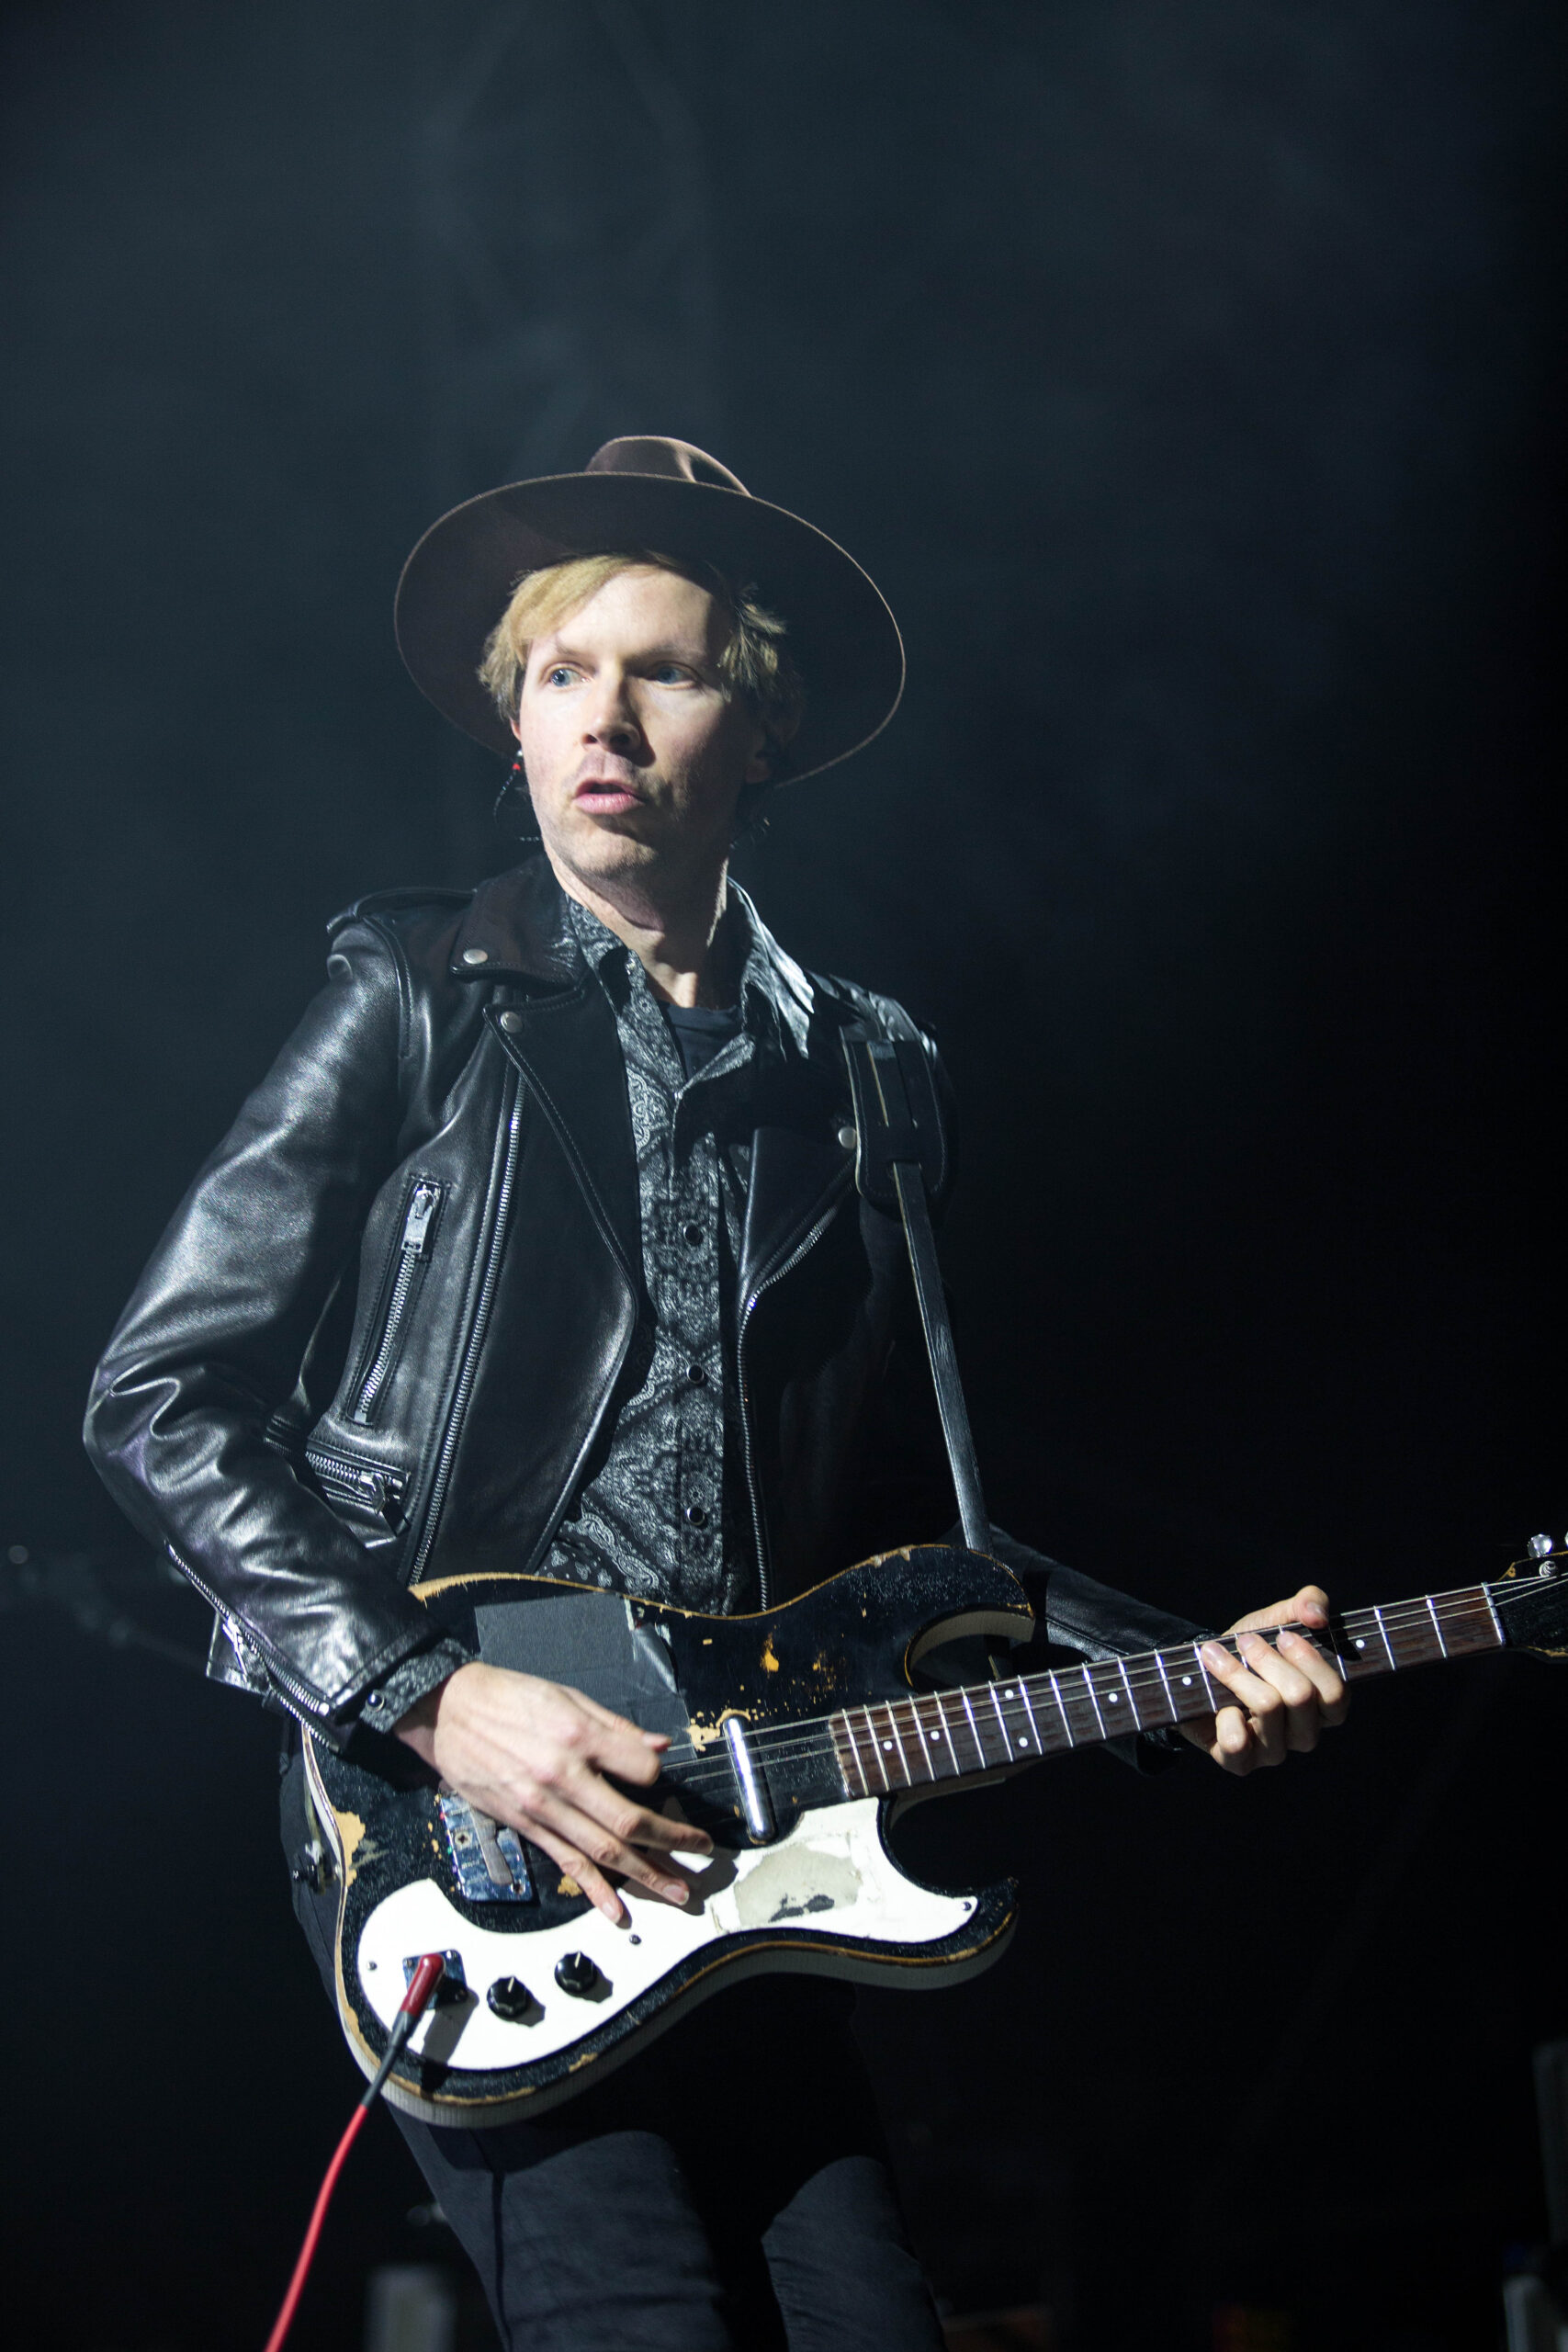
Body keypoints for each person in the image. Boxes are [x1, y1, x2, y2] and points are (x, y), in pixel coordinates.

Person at [84, 436, 1348, 2351]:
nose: (603, 717)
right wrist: (426, 1694)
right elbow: (160, 1392)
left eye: (662, 670)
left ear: (759, 726)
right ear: (516, 724)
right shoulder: (417, 989)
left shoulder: (870, 1073)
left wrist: (1185, 1678)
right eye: (559, 673)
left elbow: (924, 1538)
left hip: (749, 1827)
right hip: (459, 1817)